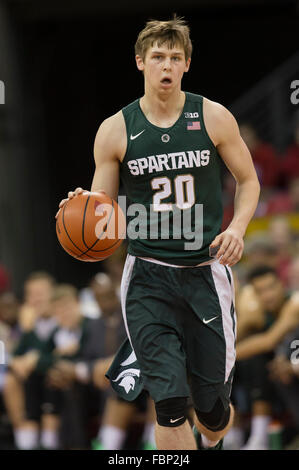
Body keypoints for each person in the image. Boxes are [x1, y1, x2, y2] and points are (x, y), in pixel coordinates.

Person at [56, 16, 260, 450]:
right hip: (148, 275)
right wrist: (81, 207)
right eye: (157, 57)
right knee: (167, 402)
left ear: (186, 64)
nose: (166, 65)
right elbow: (102, 212)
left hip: (206, 272)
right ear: (140, 63)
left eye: (174, 57)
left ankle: (213, 437)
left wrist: (238, 229)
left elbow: (250, 180)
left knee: (211, 412)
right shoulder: (116, 129)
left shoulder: (212, 116)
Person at [236, 266, 299, 449]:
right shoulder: (260, 313)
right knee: (253, 362)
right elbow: (236, 339)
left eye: (271, 287)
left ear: (282, 285)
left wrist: (221, 357)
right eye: (260, 291)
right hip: (283, 368)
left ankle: (259, 436)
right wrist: (247, 321)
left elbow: (269, 341)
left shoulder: (294, 304)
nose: (268, 295)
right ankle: (234, 433)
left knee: (272, 366)